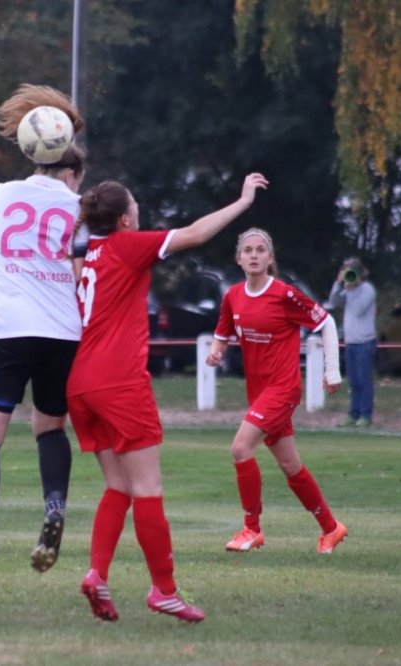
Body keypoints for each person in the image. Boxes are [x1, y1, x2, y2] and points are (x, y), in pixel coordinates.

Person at [69, 173, 268, 623]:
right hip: (118, 381)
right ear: (124, 218)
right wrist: (242, 201)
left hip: (80, 382)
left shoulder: (88, 253)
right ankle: (164, 591)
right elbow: (195, 233)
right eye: (134, 204)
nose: (138, 209)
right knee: (148, 489)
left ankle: (97, 574)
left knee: (118, 486)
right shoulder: (126, 244)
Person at [0, 84, 86, 593]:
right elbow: (82, 269)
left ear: (30, 151)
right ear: (68, 163)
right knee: (50, 428)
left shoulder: (2, 195)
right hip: (63, 333)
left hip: (10, 330)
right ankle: (54, 508)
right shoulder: (78, 206)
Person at [206, 228, 347, 555]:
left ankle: (251, 529)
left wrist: (332, 370)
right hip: (258, 392)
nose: (254, 255)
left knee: (240, 448)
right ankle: (331, 528)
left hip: (283, 389)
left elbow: (326, 323)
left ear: (270, 258)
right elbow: (221, 336)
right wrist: (216, 353)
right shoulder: (233, 296)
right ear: (238, 258)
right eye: (248, 250)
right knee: (289, 465)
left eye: (260, 250)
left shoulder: (285, 295)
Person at [326, 258, 377, 427]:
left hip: (365, 342)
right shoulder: (347, 290)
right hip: (351, 342)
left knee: (364, 380)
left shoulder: (367, 289)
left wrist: (351, 290)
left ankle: (365, 415)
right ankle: (353, 414)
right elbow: (333, 302)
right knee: (353, 381)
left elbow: (359, 309)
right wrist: (338, 283)